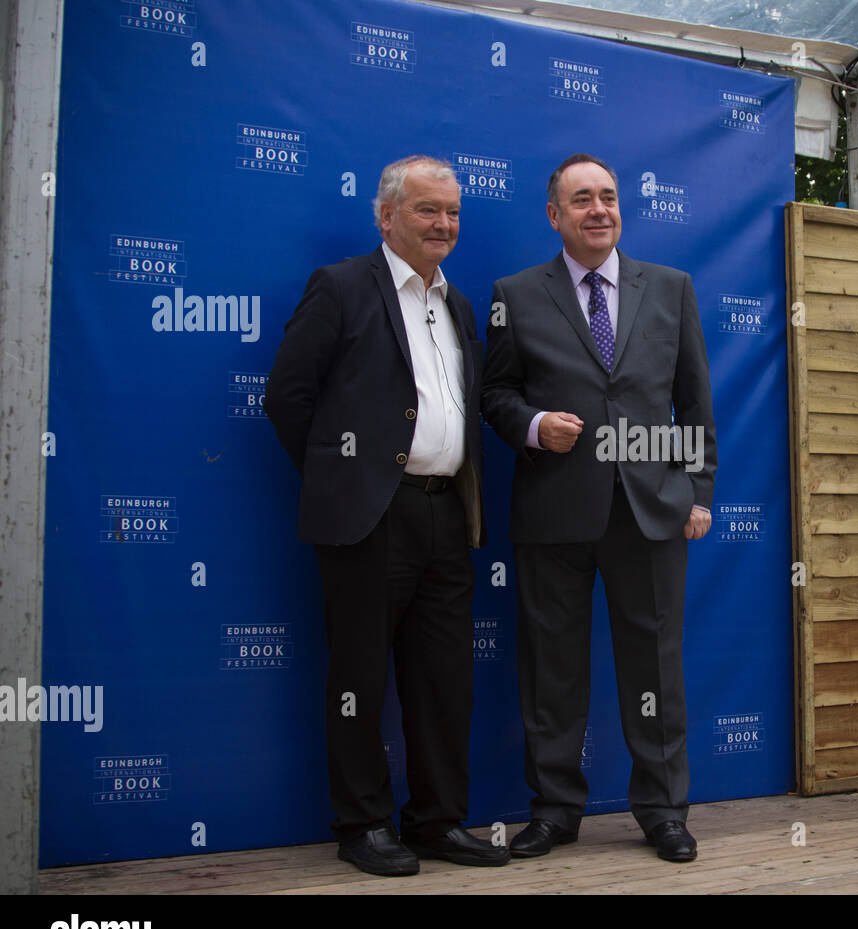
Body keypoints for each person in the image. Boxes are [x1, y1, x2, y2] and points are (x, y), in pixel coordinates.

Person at [265, 155, 507, 875]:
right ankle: (363, 824)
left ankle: (436, 822)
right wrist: (347, 484)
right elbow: (287, 398)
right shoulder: (341, 287)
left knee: (443, 683)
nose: (444, 224)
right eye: (428, 210)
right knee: (358, 681)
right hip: (370, 520)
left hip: (446, 519)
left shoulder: (458, 305)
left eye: (453, 212)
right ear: (387, 217)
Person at [482, 153, 717, 862]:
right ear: (554, 215)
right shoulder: (515, 294)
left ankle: (664, 810)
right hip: (554, 511)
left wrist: (698, 493)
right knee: (552, 670)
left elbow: (695, 403)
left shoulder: (671, 289)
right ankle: (554, 810)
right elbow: (494, 395)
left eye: (609, 197)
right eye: (581, 199)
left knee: (656, 667)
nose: (599, 210)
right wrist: (532, 426)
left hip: (651, 511)